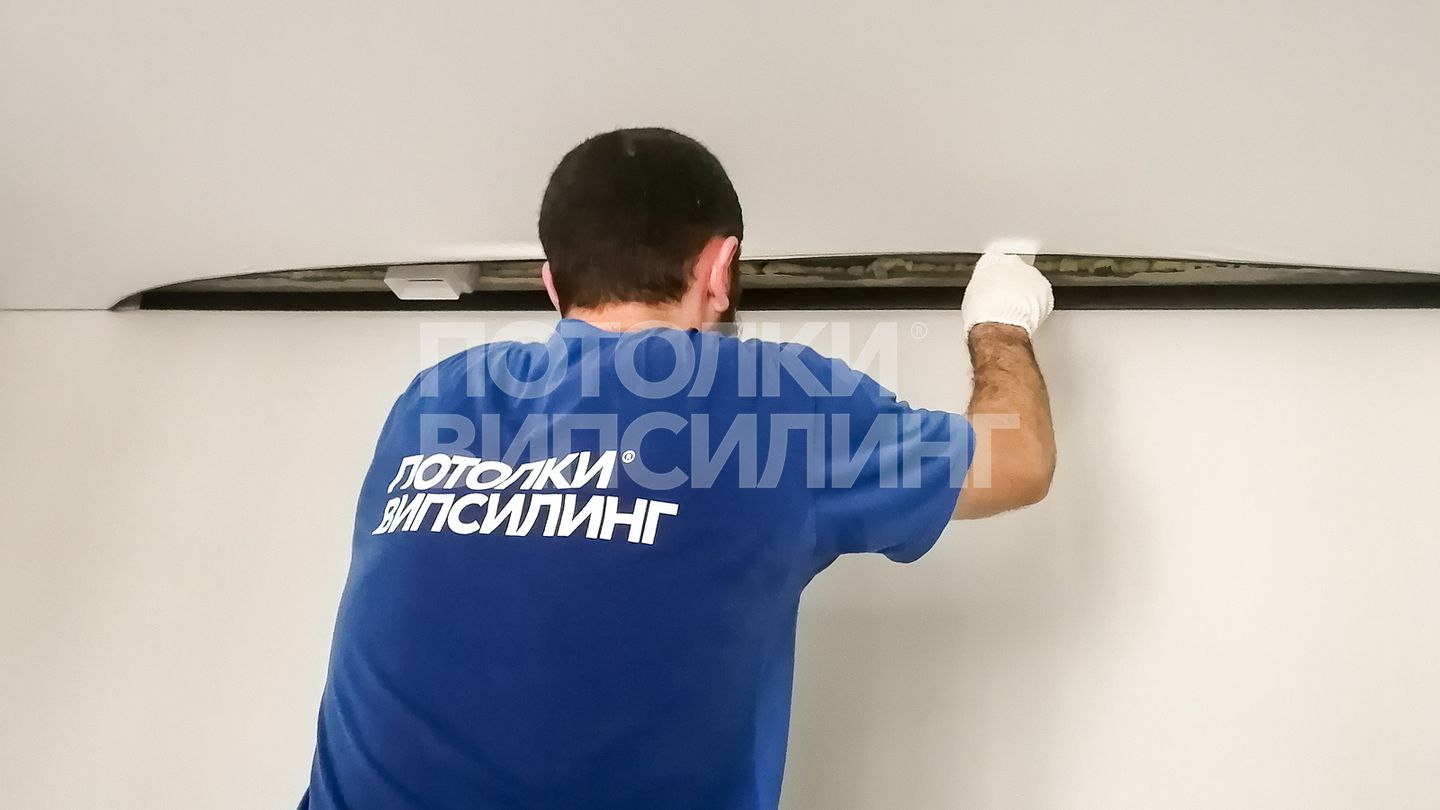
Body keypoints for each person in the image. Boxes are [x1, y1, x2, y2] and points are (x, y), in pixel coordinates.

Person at [300, 127, 1055, 810]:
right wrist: (1000, 322)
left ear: (552, 284)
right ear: (720, 268)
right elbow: (1016, 457)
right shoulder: (770, 399)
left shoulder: (432, 400)